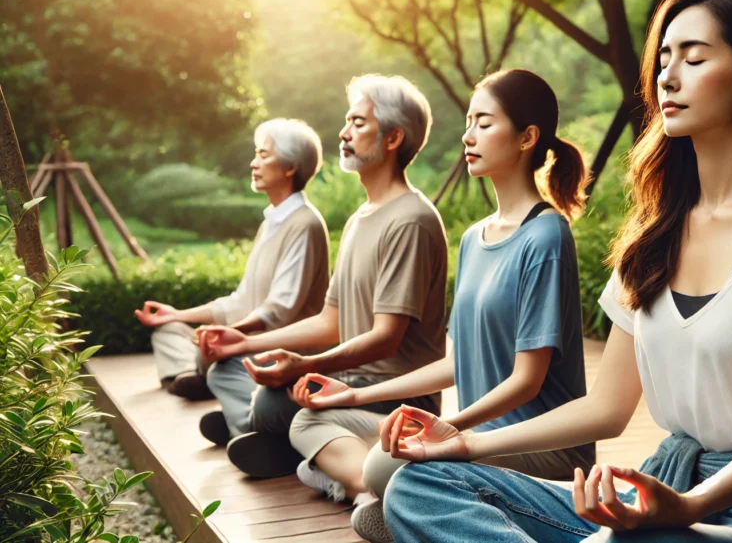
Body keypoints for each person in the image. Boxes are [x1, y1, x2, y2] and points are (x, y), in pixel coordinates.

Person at [378, 0, 732, 543]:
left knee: (627, 540)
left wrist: (682, 509)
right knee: (421, 485)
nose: (668, 76)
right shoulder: (656, 233)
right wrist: (466, 442)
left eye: (694, 57)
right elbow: (608, 407)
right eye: (663, 58)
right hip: (668, 495)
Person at [289, 69, 596, 542]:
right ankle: (421, 509)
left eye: (485, 123)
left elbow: (527, 380)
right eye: (468, 121)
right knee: (349, 442)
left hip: (543, 447)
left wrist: (447, 430)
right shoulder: (473, 238)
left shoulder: (546, 236)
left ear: (527, 137)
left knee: (388, 466)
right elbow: (454, 363)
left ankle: (422, 507)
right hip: (475, 438)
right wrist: (352, 396)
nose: (468, 136)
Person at [195, 74, 448, 480]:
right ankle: (302, 454)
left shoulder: (411, 221)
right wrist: (246, 342)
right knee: (238, 371)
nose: (344, 134)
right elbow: (329, 322)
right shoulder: (358, 219)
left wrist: (306, 364)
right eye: (347, 122)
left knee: (272, 405)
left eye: (358, 123)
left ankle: (295, 448)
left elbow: (388, 337)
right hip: (351, 377)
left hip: (395, 393)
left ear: (393, 137)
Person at [134, 118, 330, 404]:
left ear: (290, 167)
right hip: (245, 340)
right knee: (168, 331)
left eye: (263, 155)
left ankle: (201, 376)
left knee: (209, 353)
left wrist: (230, 335)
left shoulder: (305, 224)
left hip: (275, 349)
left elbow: (279, 311)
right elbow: (239, 301)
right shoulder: (272, 221)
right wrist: (177, 315)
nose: (253, 163)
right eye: (255, 154)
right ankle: (199, 376)